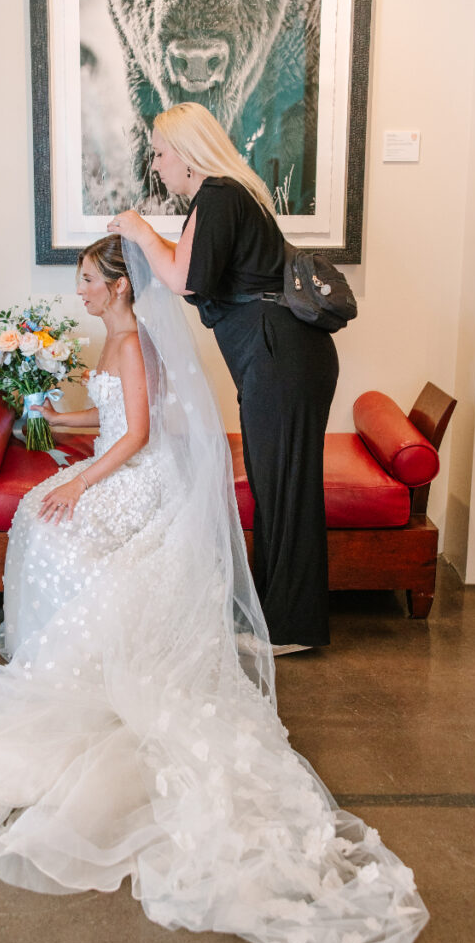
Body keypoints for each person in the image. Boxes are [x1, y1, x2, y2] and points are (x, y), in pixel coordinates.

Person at [0, 236, 427, 943]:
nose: (81, 292)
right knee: (35, 513)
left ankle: (75, 655)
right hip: (127, 463)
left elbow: (140, 436)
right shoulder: (117, 335)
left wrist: (84, 482)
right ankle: (59, 644)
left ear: (120, 287)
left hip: (145, 475)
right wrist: (50, 434)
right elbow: (110, 426)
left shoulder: (130, 339)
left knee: (50, 524)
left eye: (89, 280)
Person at [108, 102, 339, 653]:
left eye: (161, 153)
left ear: (186, 154)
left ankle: (291, 629)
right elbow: (189, 267)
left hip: (278, 356)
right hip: (278, 355)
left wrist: (140, 232)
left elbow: (187, 281)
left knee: (284, 489)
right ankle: (283, 616)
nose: (156, 164)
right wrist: (149, 239)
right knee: (275, 484)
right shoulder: (226, 196)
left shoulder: (219, 196)